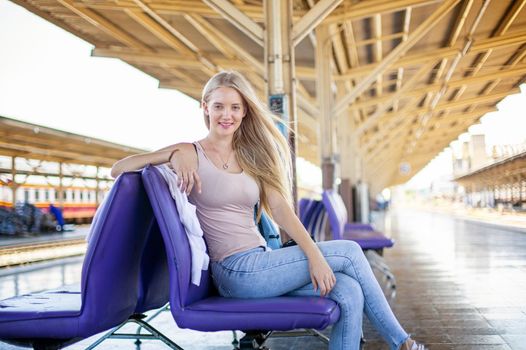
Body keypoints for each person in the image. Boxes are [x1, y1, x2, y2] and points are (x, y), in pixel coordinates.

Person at [111, 71, 426, 350]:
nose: (226, 114)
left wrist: (314, 258)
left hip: (262, 262)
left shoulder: (250, 156)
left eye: (235, 107)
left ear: (245, 111)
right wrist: (173, 156)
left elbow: (281, 209)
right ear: (204, 108)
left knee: (349, 290)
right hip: (235, 272)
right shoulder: (189, 152)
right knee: (349, 251)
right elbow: (119, 169)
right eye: (218, 106)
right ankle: (405, 345)